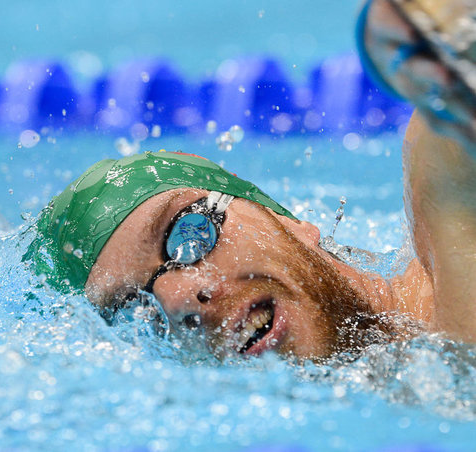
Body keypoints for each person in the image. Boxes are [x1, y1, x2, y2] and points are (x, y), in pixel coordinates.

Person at [24, 0, 476, 360]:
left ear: (284, 219)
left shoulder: (448, 177)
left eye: (188, 234)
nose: (178, 302)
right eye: (137, 312)